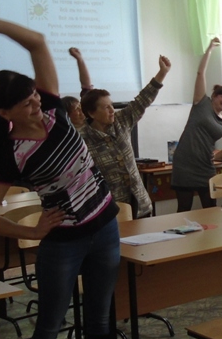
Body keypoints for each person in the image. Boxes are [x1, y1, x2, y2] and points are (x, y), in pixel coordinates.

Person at [0, 17, 120, 339]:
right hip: (64, 242)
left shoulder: (52, 108)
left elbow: (37, 41)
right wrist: (31, 232)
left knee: (100, 319)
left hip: (105, 227)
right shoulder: (9, 152)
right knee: (49, 327)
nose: (36, 104)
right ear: (4, 112)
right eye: (26, 103)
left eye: (34, 95)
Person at [70, 46, 171, 218]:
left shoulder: (120, 121)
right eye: (106, 108)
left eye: (112, 105)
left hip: (140, 205)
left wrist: (162, 73)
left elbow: (142, 100)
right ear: (92, 113)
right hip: (110, 209)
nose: (112, 111)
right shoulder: (82, 139)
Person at [171, 37, 222, 212]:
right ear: (214, 96)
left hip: (205, 167)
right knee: (184, 208)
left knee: (210, 208)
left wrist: (217, 156)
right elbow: (200, 73)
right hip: (184, 163)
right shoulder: (201, 103)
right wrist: (209, 50)